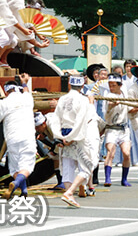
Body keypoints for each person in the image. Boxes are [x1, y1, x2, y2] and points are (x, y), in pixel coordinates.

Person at [50, 75, 98, 208]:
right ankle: (70, 192)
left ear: (70, 85)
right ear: (82, 86)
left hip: (64, 134)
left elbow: (55, 119)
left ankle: (68, 193)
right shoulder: (83, 100)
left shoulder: (62, 99)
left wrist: (59, 136)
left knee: (67, 168)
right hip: (77, 136)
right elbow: (81, 121)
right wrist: (71, 138)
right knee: (87, 167)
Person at [0, 75, 37, 199]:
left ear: (6, 91)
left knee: (15, 168)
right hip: (27, 137)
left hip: (12, 139)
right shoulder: (27, 98)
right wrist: (24, 82)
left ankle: (23, 191)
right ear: (17, 89)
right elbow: (26, 90)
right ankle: (16, 184)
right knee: (26, 166)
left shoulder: (3, 103)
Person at [102, 74, 132, 187]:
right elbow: (108, 106)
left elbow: (130, 105)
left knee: (126, 153)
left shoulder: (124, 92)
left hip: (124, 129)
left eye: (114, 85)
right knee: (111, 152)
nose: (111, 87)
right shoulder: (108, 95)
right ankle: (107, 178)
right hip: (112, 128)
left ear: (119, 85)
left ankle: (124, 179)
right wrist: (113, 105)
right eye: (110, 85)